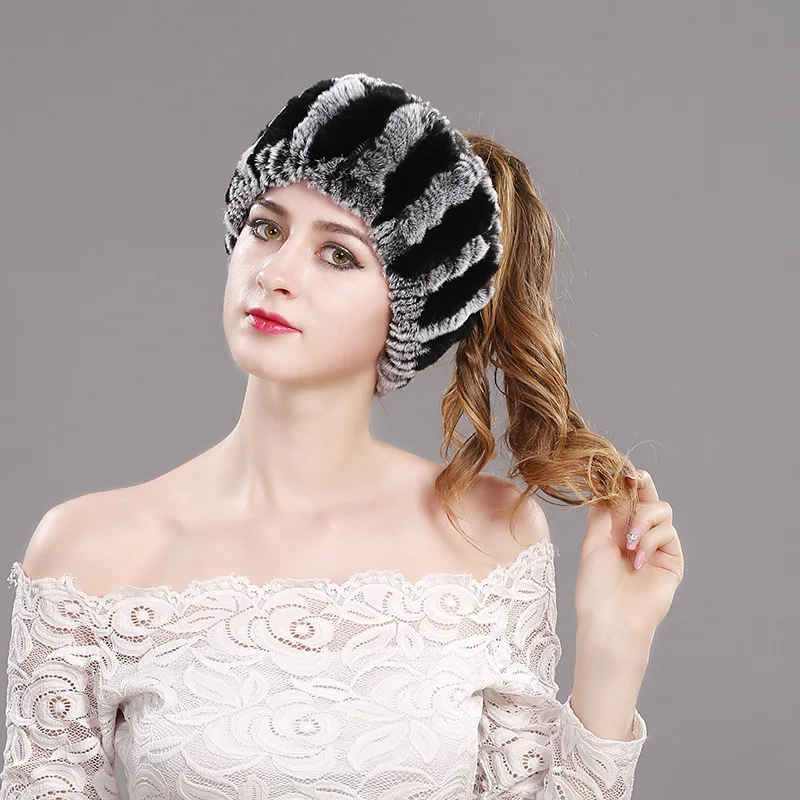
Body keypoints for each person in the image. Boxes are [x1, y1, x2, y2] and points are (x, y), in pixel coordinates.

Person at [1, 73, 684, 799]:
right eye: (267, 228)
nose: (276, 273)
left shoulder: (490, 535)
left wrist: (614, 647)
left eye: (339, 255)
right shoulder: (87, 554)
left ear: (412, 311)